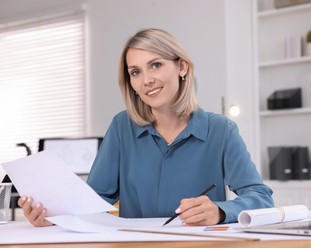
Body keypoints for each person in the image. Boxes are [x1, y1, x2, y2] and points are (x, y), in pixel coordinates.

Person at [18, 28, 274, 227]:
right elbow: (91, 202)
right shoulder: (122, 127)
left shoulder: (221, 130)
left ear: (182, 67)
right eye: (135, 72)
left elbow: (261, 197)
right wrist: (49, 215)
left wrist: (220, 211)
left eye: (156, 65)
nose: (147, 80)